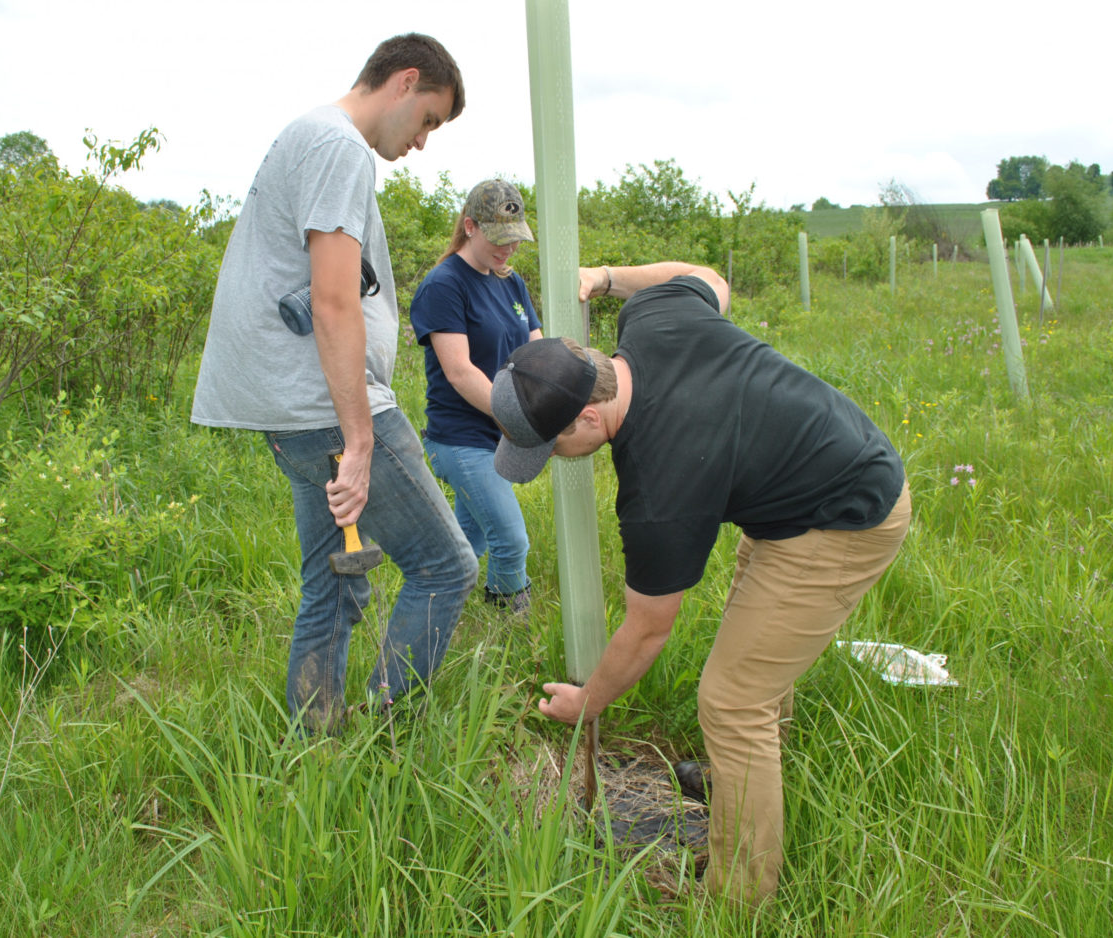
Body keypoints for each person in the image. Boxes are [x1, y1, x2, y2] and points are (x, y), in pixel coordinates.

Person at [492, 261, 911, 904]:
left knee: (732, 700)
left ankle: (737, 898)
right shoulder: (654, 316)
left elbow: (647, 630)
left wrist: (588, 702)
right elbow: (707, 275)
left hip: (847, 516)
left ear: (586, 421)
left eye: (548, 449)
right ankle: (745, 778)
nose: (551, 462)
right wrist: (606, 278)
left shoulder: (659, 488)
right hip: (802, 492)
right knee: (753, 660)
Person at [190, 34, 479, 732]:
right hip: (327, 410)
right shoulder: (339, 146)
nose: (421, 142)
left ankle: (315, 745)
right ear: (405, 82)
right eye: (429, 121)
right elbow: (334, 299)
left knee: (331, 582)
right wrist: (358, 440)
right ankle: (384, 732)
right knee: (447, 568)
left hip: (295, 411)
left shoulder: (312, 136)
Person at [410, 179, 543, 614]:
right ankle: (511, 627)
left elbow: (534, 349)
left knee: (472, 540)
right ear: (470, 226)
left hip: (501, 436)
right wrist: (516, 417)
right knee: (510, 538)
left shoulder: (511, 284)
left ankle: (436, 609)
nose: (508, 251)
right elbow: (461, 372)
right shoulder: (445, 284)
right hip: (460, 438)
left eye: (515, 241)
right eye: (499, 240)